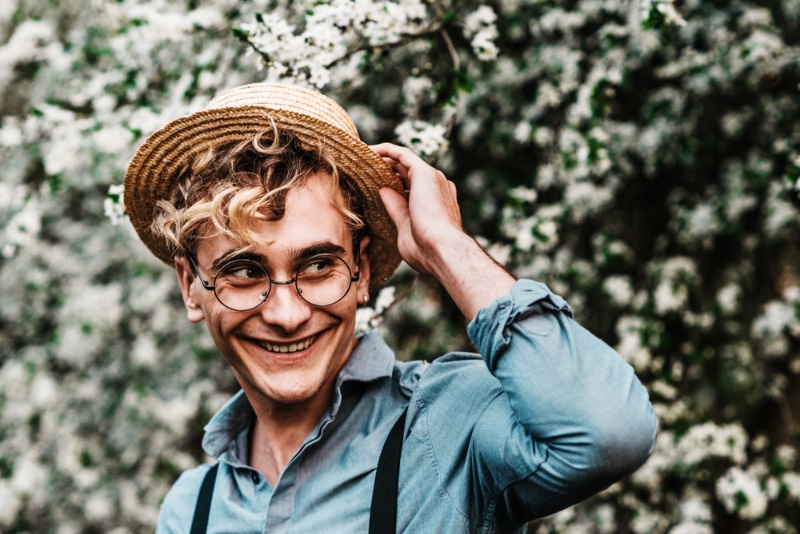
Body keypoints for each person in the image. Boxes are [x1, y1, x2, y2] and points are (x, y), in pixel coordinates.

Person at [124, 83, 656, 533]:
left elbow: (609, 433)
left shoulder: (449, 424)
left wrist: (447, 246)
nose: (286, 314)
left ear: (360, 274)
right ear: (190, 285)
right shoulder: (191, 510)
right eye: (243, 272)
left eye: (317, 267)